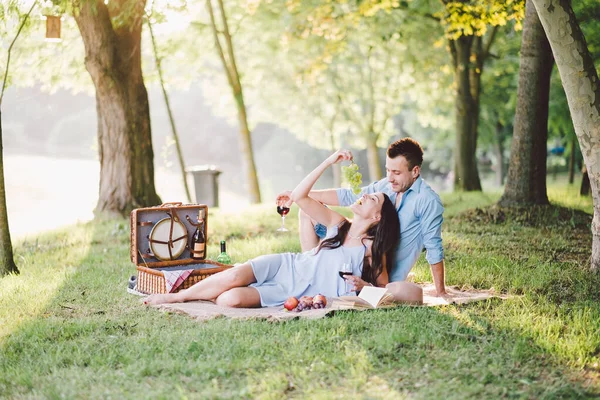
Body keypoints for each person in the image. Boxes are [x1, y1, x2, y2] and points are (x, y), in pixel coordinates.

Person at [143, 150, 415, 308]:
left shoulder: (370, 250)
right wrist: (329, 161)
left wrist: (364, 285)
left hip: (294, 292)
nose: (365, 196)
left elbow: (384, 291)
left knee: (230, 300)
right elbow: (299, 196)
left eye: (373, 199)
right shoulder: (337, 224)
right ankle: (175, 297)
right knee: (237, 273)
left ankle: (207, 290)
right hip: (287, 265)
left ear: (378, 216)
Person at [277, 138, 447, 296]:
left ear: (415, 171)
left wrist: (440, 292)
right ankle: (310, 271)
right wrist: (295, 195)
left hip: (377, 268)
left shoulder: (427, 201)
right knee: (306, 211)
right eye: (388, 170)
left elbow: (433, 246)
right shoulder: (386, 185)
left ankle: (313, 280)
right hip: (354, 248)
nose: (390, 178)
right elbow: (350, 196)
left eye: (396, 172)